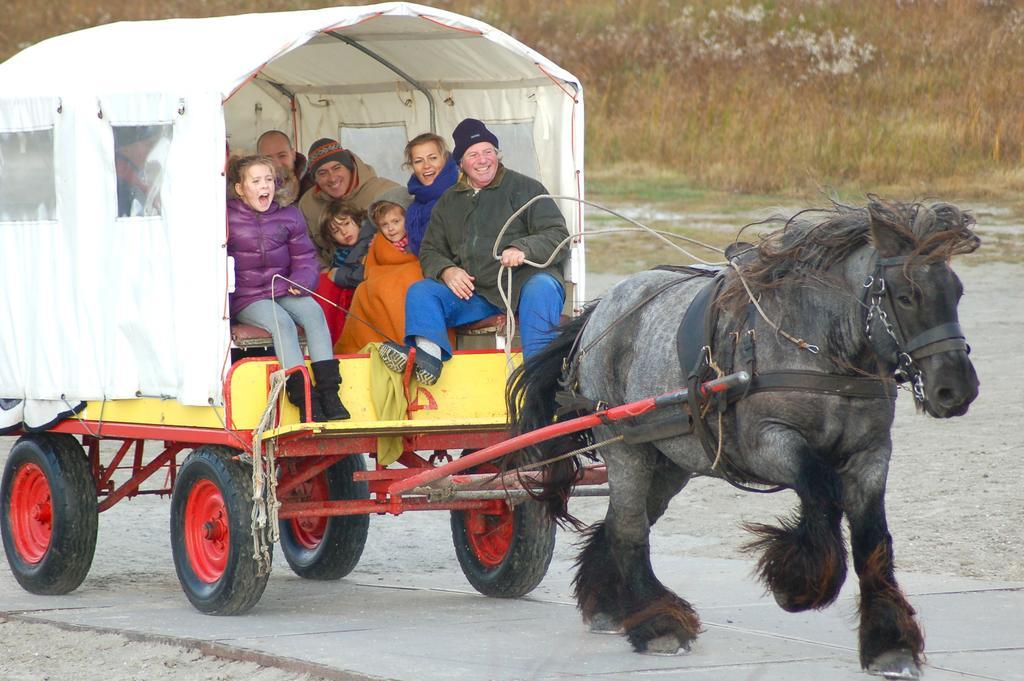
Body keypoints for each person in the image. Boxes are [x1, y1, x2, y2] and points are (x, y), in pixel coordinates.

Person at [378, 118, 569, 386]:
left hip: (526, 282)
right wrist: (448, 270)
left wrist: (521, 248)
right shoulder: (449, 201)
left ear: (497, 155)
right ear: (461, 163)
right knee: (421, 292)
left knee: (542, 288)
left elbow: (558, 235)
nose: (482, 160)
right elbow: (431, 250)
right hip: (478, 292)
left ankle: (540, 379)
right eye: (473, 154)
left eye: (488, 151)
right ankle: (428, 359)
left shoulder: (526, 188)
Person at [226, 154, 350, 422]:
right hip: (249, 297)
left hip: (283, 289)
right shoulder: (226, 217)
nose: (264, 186)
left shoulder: (289, 215)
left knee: (314, 312)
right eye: (256, 181)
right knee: (281, 323)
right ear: (240, 188)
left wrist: (302, 281)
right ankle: (302, 394)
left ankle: (329, 391)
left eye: (268, 180)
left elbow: (305, 257)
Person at [337, 201, 425, 354]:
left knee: (407, 279)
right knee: (364, 291)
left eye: (396, 222)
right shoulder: (378, 242)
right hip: (383, 276)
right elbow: (372, 268)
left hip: (407, 277)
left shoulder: (416, 240)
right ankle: (379, 346)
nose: (391, 229)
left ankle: (405, 345)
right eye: (384, 225)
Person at [297, 138, 409, 250]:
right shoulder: (307, 204)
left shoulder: (387, 191)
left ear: (349, 167)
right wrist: (322, 267)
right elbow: (307, 248)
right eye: (322, 173)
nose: (332, 178)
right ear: (315, 179)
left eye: (337, 168)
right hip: (335, 266)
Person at [313, 200, 374, 344]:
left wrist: (338, 274)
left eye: (346, 224)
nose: (344, 232)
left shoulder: (369, 241)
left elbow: (363, 274)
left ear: (357, 219)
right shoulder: (342, 253)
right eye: (336, 231)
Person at [403, 132, 459, 255]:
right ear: (411, 166)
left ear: (445, 158)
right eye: (418, 161)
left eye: (433, 158)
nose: (426, 166)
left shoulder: (461, 192)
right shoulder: (416, 203)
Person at [256, 130, 314, 205]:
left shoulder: (314, 187)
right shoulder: (250, 193)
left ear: (293, 155)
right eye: (268, 159)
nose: (277, 165)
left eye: (282, 156)